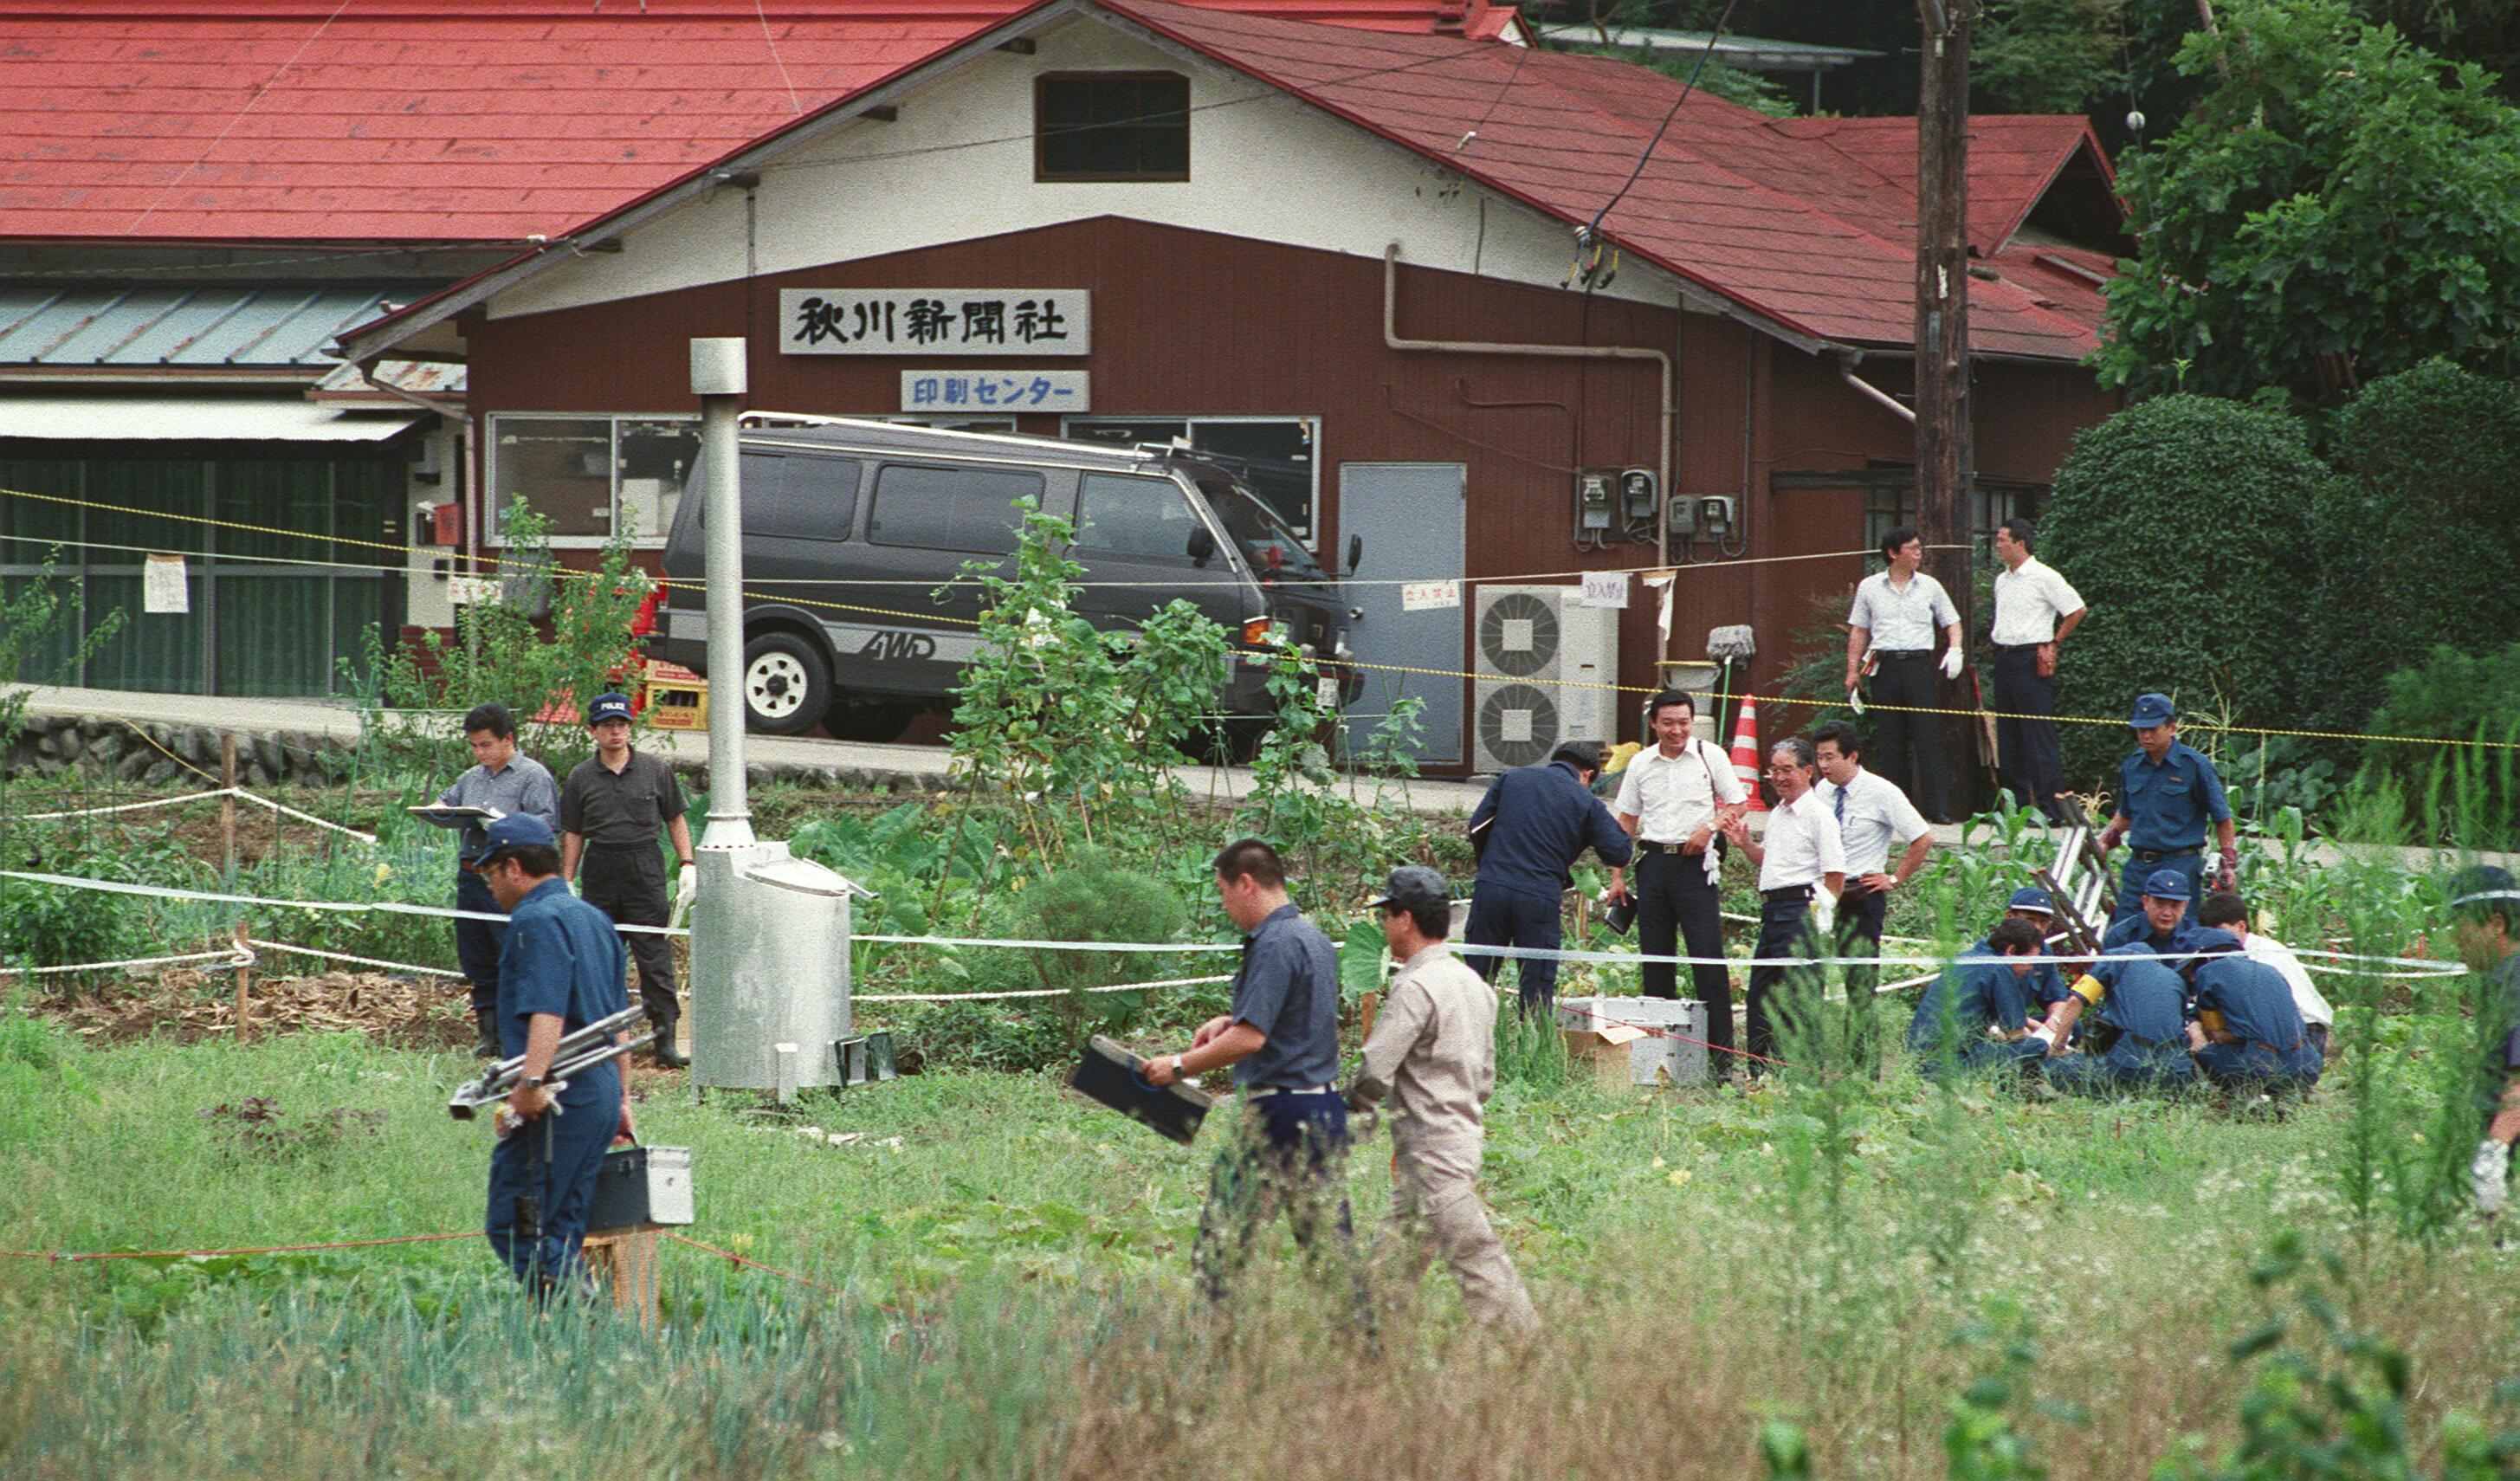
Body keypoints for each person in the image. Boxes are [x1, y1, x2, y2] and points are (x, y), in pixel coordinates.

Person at [1142, 839, 1361, 1305]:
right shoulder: (1313, 938)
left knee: (1220, 1245)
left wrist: (1177, 1067)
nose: (1225, 907)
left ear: (1246, 884)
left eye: (1223, 894)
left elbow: (1252, 1040)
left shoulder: (1274, 942)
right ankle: (1363, 1354)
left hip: (1276, 1112)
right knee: (1329, 1251)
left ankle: (1212, 1351)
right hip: (1321, 1107)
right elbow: (1293, 1020)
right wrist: (1231, 1020)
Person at [1347, 865, 1539, 1332]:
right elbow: (1487, 1077)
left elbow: (1377, 1066)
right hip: (1459, 1138)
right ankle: (1367, 1351)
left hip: (1433, 1150)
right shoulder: (1474, 984)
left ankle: (1530, 1350)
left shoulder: (1415, 986)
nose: (1384, 927)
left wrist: (1349, 1114)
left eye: (1386, 917)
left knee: (1477, 1257)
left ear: (1405, 919)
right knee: (1390, 1262)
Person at [470, 814, 635, 1296]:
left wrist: (530, 1087)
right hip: (600, 1090)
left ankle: (573, 1324)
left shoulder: (534, 920)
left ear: (514, 867)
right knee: (563, 1225)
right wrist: (623, 1097)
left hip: (561, 1092)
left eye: (490, 874)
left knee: (518, 1221)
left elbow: (548, 1011)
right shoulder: (594, 918)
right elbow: (618, 1017)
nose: (490, 888)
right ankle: (576, 1334)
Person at [559, 692, 696, 1068]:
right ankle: (603, 1036)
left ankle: (664, 1038)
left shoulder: (654, 769)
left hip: (644, 865)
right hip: (601, 866)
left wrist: (687, 862)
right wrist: (566, 879)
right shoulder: (581, 777)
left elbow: (675, 818)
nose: (615, 731)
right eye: (607, 726)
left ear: (629, 728)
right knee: (601, 954)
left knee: (654, 953)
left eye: (621, 724)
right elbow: (573, 831)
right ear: (593, 732)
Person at [1608, 690, 1748, 1054]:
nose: (1676, 730)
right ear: (1653, 723)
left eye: (1683, 722)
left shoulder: (1709, 755)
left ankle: (1720, 1058)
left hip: (1696, 866)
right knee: (1656, 958)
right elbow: (1626, 822)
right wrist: (1617, 876)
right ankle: (1659, 1056)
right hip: (1653, 864)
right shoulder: (1640, 763)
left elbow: (1739, 803)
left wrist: (1711, 827)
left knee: (1706, 958)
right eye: (1668, 723)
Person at [421, 702, 560, 1058]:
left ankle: (517, 1038)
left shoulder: (533, 776)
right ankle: (488, 1035)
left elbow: (547, 824)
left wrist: (504, 823)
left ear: (507, 739)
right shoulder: (472, 777)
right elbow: (448, 800)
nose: (479, 752)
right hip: (471, 874)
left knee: (510, 954)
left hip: (508, 878)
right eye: (474, 746)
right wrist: (439, 809)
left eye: (485, 744)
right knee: (476, 956)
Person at [1466, 740, 1634, 1015]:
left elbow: (1476, 827)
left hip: (1492, 888)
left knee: (1475, 981)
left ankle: (1464, 1050)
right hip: (1540, 896)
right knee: (1535, 987)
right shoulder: (1586, 801)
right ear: (1588, 775)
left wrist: (1490, 870)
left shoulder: (1512, 778)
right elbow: (1620, 852)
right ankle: (1532, 1052)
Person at [1722, 736, 1845, 1073]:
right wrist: (1746, 844)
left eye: (1787, 770)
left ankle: (1806, 1075)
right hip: (1773, 911)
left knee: (1800, 999)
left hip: (1802, 912)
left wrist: (1819, 920)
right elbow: (1773, 864)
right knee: (1761, 996)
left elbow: (1835, 876)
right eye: (1773, 770)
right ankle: (1761, 1074)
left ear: (1808, 772)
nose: (1779, 778)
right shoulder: (1778, 813)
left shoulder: (1820, 816)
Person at [1811, 719, 1933, 1052]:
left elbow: (1921, 837)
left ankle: (1863, 1065)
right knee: (1809, 976)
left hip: (1861, 895)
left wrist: (1894, 878)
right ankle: (1812, 1056)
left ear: (1852, 756)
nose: (1824, 765)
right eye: (1820, 758)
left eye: (1830, 757)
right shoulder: (1820, 792)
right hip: (1822, 894)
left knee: (1859, 986)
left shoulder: (1882, 792)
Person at [1843, 526, 1966, 820]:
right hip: (1884, 667)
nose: (1918, 553)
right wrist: (1851, 670)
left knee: (1927, 736)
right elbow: (1859, 630)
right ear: (1893, 553)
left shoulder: (1930, 586)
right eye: (1911, 548)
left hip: (1918, 665)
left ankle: (1937, 810)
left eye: (1919, 548)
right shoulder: (1869, 587)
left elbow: (1952, 621)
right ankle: (1896, 811)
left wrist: (1955, 649)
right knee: (1891, 739)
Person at [2097, 693, 2235, 928]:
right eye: (2141, 731)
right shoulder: (2132, 765)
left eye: (2153, 729)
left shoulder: (2195, 765)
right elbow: (2126, 813)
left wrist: (2228, 863)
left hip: (2179, 864)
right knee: (2125, 930)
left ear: (2172, 728)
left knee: (2179, 935)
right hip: (2139, 866)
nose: (2146, 736)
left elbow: (2222, 818)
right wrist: (2106, 838)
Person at [1987, 518, 2087, 825]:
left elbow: (2076, 609)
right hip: (2004, 657)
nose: (1998, 545)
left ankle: (2050, 810)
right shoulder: (2001, 580)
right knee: (2009, 735)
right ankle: (2014, 808)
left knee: (2037, 734)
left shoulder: (2044, 576)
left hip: (2031, 658)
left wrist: (2054, 642)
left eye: (2003, 539)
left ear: (2020, 543)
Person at [2446, 866, 2520, 1216]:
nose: (2455, 938)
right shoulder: (2502, 981)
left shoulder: (2515, 983)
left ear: (2495, 924)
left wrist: (2494, 1152)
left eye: (2462, 924)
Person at [2040, 944, 2200, 1098]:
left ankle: (2122, 1092)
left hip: (2130, 1066)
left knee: (2052, 1065)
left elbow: (2075, 1001)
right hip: (2177, 1073)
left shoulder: (2118, 959)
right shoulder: (2175, 979)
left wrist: (2057, 1047)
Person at [1905, 916, 2049, 1078]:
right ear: (2011, 951)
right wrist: (2055, 1045)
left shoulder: (1967, 956)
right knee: (2037, 1046)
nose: (2031, 967)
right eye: (2031, 959)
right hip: (1948, 1065)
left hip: (1920, 1058)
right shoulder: (1999, 969)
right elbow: (2016, 1032)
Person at [2183, 930, 2321, 1099]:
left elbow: (2217, 1036)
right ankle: (2288, 1098)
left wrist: (2199, 1034)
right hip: (2308, 1065)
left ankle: (2245, 1100)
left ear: (2207, 957)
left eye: (2193, 967)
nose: (2191, 977)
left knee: (2207, 1053)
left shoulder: (2209, 971)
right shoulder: (2271, 971)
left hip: (2262, 1067)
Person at [2194, 892, 2333, 1057]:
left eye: (2221, 931)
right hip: (2281, 1030)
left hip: (2305, 1030)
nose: (2215, 939)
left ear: (2241, 927)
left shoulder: (2264, 954)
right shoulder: (2228, 956)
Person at [1981, 886, 2071, 1020]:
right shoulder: (1987, 951)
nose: (2038, 928)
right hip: (1989, 1024)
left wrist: (2055, 1021)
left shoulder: (2044, 952)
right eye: (2030, 920)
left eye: (2044, 922)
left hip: (2019, 1021)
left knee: (2072, 1027)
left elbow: (2057, 998)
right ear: (2009, 917)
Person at [2100, 869, 2211, 955]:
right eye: (2160, 904)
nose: (2167, 913)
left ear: (2185, 906)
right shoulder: (2121, 936)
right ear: (2146, 902)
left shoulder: (2197, 938)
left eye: (2175, 905)